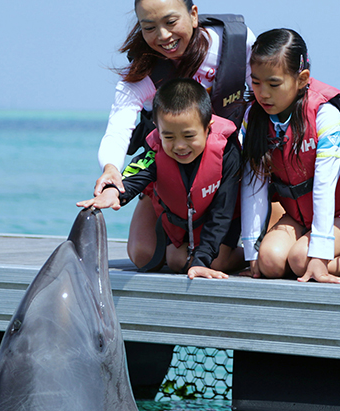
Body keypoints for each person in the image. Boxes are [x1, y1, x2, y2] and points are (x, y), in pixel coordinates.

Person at [93, 0, 256, 269]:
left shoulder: (236, 45)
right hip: (171, 166)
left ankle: (268, 219)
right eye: (149, 27)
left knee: (229, 259)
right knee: (144, 255)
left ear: (193, 15)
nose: (163, 36)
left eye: (170, 22)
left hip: (228, 167)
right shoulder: (142, 74)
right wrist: (111, 168)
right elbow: (119, 126)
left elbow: (264, 99)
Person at [240, 28, 340, 284]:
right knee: (269, 262)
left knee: (299, 260)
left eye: (274, 84)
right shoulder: (254, 118)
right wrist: (252, 250)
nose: (262, 93)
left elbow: (324, 186)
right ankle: (309, 250)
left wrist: (320, 253)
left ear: (303, 78)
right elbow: (254, 184)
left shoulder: (326, 117)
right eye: (256, 82)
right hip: (299, 214)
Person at [79, 78, 244, 280]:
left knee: (214, 261)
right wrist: (113, 192)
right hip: (183, 218)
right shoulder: (157, 147)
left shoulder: (227, 151)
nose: (180, 146)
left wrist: (202, 261)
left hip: (222, 218)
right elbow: (137, 171)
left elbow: (222, 212)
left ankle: (247, 255)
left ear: (208, 126)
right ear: (157, 129)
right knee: (174, 261)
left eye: (189, 136)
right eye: (169, 137)